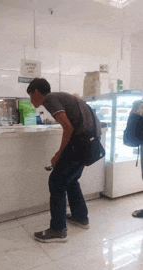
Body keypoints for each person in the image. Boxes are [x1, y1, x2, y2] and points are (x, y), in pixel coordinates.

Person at [27, 78, 101, 243]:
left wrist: (58, 154)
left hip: (79, 142)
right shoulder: (62, 97)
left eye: (31, 96)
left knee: (57, 182)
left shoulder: (50, 99)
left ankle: (58, 230)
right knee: (71, 180)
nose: (31, 100)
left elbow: (68, 127)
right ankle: (80, 218)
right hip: (89, 142)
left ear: (37, 92)